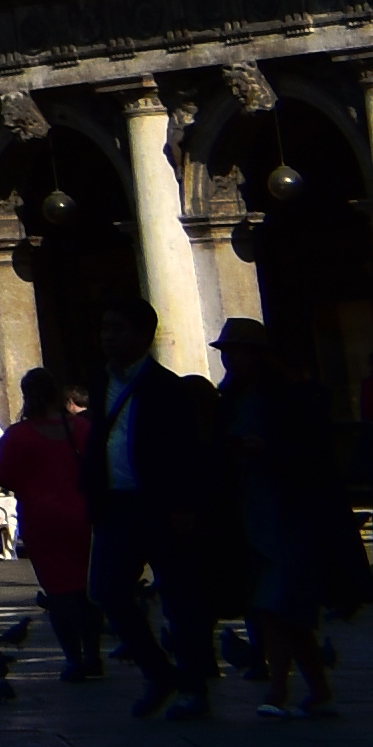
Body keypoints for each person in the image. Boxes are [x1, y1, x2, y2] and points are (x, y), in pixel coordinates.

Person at [85, 301, 227, 718]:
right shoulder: (99, 382)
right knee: (108, 591)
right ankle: (158, 672)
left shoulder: (167, 387)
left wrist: (185, 504)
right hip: (116, 505)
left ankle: (193, 685)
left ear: (144, 336)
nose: (108, 336)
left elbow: (185, 451)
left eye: (118, 327)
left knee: (181, 598)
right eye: (105, 327)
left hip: (162, 505)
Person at [219, 316, 358, 720]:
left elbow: (313, 456)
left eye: (236, 352)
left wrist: (267, 450)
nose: (230, 361)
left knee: (277, 604)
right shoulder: (232, 397)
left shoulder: (290, 398)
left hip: (290, 513)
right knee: (280, 606)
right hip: (254, 511)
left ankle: (279, 690)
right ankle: (317, 688)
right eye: (226, 353)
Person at [0, 370, 104, 678]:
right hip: (82, 516)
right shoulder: (80, 428)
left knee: (59, 592)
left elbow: (3, 476)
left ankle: (73, 659)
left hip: (42, 520)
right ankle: (94, 654)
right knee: (87, 590)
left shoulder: (18, 435)